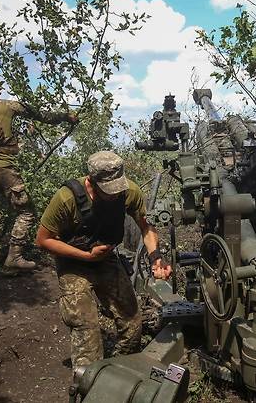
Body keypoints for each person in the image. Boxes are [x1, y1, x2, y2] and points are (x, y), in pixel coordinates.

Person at [35, 151, 172, 367]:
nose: (116, 194)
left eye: (119, 187)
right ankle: (87, 384)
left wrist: (156, 257)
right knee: (86, 328)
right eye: (109, 191)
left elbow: (146, 226)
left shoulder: (129, 192)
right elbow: (43, 240)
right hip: (73, 263)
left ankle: (119, 369)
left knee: (132, 319)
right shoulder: (66, 198)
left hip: (105, 259)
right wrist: (86, 256)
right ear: (92, 181)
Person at [0, 76, 77, 280]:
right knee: (26, 212)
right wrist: (66, 116)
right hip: (2, 167)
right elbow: (40, 114)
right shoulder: (6, 106)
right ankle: (14, 257)